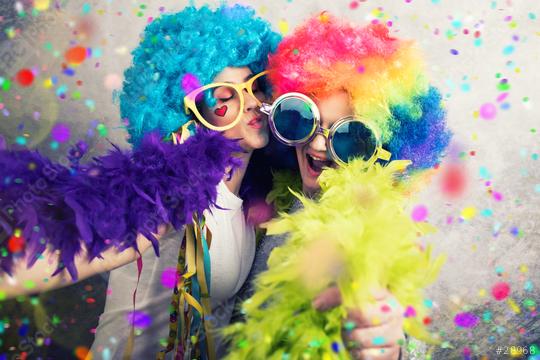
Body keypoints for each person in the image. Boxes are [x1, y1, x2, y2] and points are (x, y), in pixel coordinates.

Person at [0, 4, 280, 359]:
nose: (252, 103)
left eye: (256, 87)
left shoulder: (256, 199)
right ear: (187, 117)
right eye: (224, 98)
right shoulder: (171, 188)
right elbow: (62, 251)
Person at [234, 12, 451, 360]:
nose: (319, 146)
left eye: (349, 136)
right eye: (304, 119)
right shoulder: (279, 195)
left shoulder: (371, 231)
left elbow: (394, 319)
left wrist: (391, 346)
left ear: (381, 150)